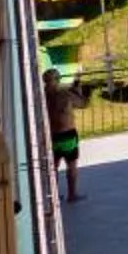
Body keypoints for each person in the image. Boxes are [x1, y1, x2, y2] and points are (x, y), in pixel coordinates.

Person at [45, 66, 80, 203]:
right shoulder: (64, 94)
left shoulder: (41, 96)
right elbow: (82, 103)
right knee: (71, 165)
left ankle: (53, 196)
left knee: (53, 166)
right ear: (57, 80)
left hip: (51, 136)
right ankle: (72, 195)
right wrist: (76, 89)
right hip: (67, 134)